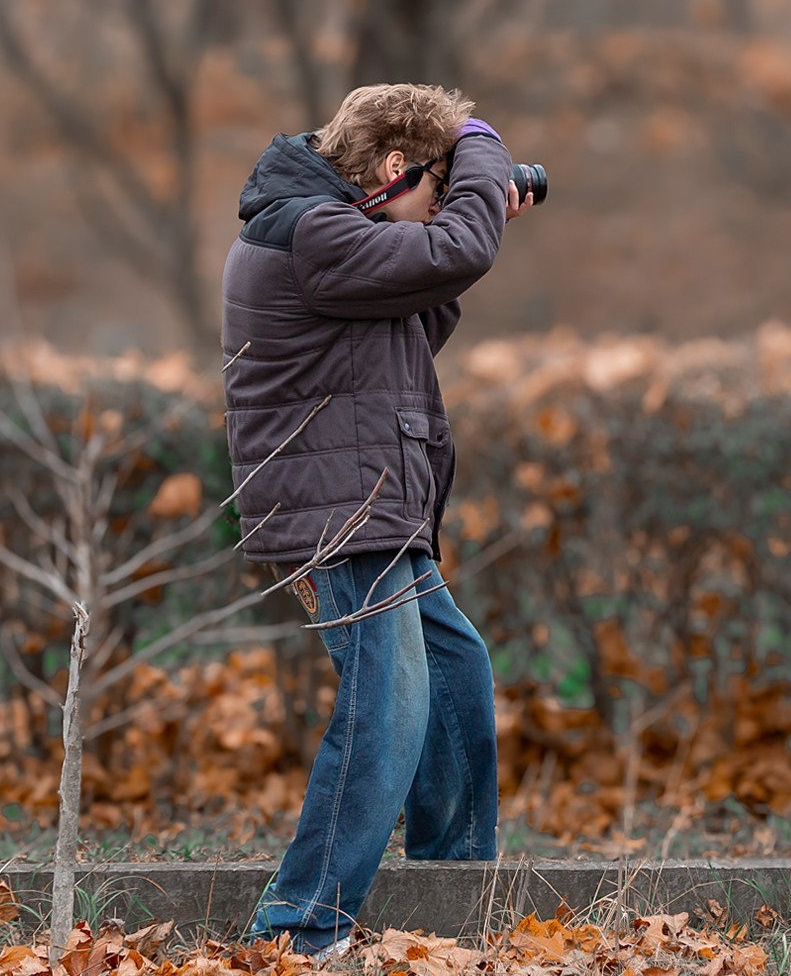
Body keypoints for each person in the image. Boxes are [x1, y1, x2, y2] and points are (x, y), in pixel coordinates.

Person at [221, 84, 535, 955]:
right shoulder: (310, 230)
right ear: (396, 169)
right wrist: (481, 146)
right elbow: (453, 252)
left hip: (366, 495)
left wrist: (470, 206)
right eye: (437, 187)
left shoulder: (327, 227)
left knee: (453, 664)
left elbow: (419, 308)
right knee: (387, 705)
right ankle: (299, 926)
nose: (440, 209)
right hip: (337, 505)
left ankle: (449, 885)